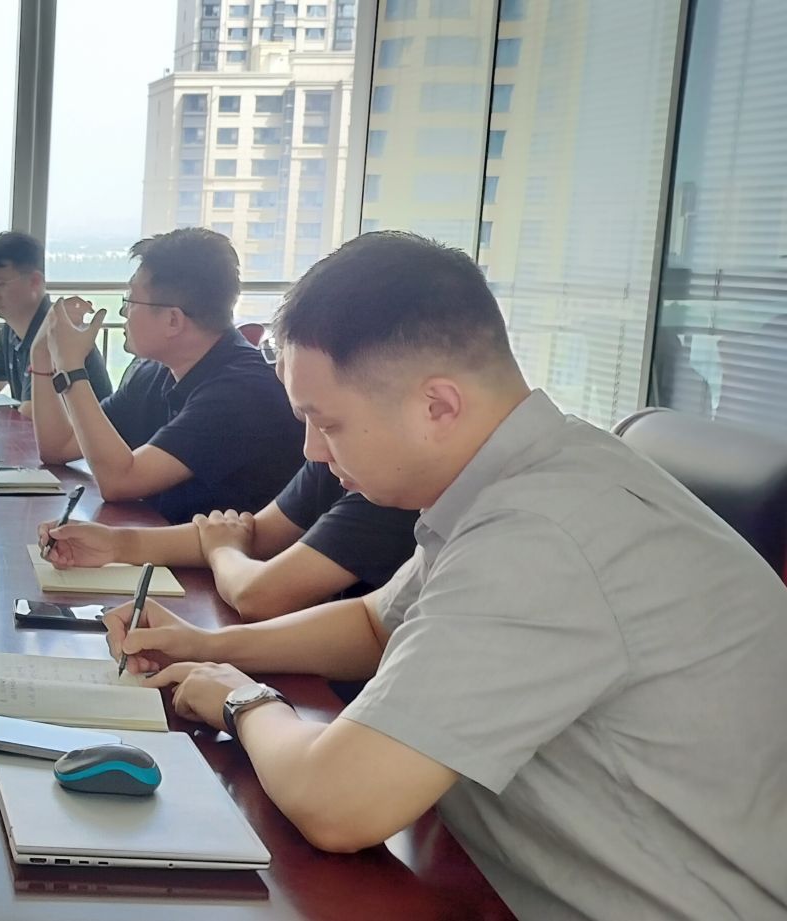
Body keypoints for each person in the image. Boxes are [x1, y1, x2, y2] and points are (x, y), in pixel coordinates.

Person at [106, 231, 787, 921]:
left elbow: (338, 802)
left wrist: (242, 699)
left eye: (325, 422)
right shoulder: (528, 476)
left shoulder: (543, 533)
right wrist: (207, 645)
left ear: (438, 405)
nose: (312, 450)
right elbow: (377, 624)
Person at [30, 228, 303, 523]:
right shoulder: (153, 373)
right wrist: (41, 354)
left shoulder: (242, 391)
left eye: (131, 301)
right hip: (162, 540)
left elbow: (119, 482)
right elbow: (59, 447)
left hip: (226, 552)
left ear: (173, 320)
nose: (123, 313)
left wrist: (72, 367)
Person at [39, 459, 417, 621]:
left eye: (328, 422)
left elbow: (259, 595)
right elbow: (258, 534)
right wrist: (116, 545)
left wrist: (222, 550)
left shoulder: (392, 487)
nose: (309, 449)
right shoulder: (331, 457)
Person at [0, 230, 111, 404]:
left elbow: (32, 411)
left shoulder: (57, 330)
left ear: (35, 281)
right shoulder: (11, 329)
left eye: (0, 284)